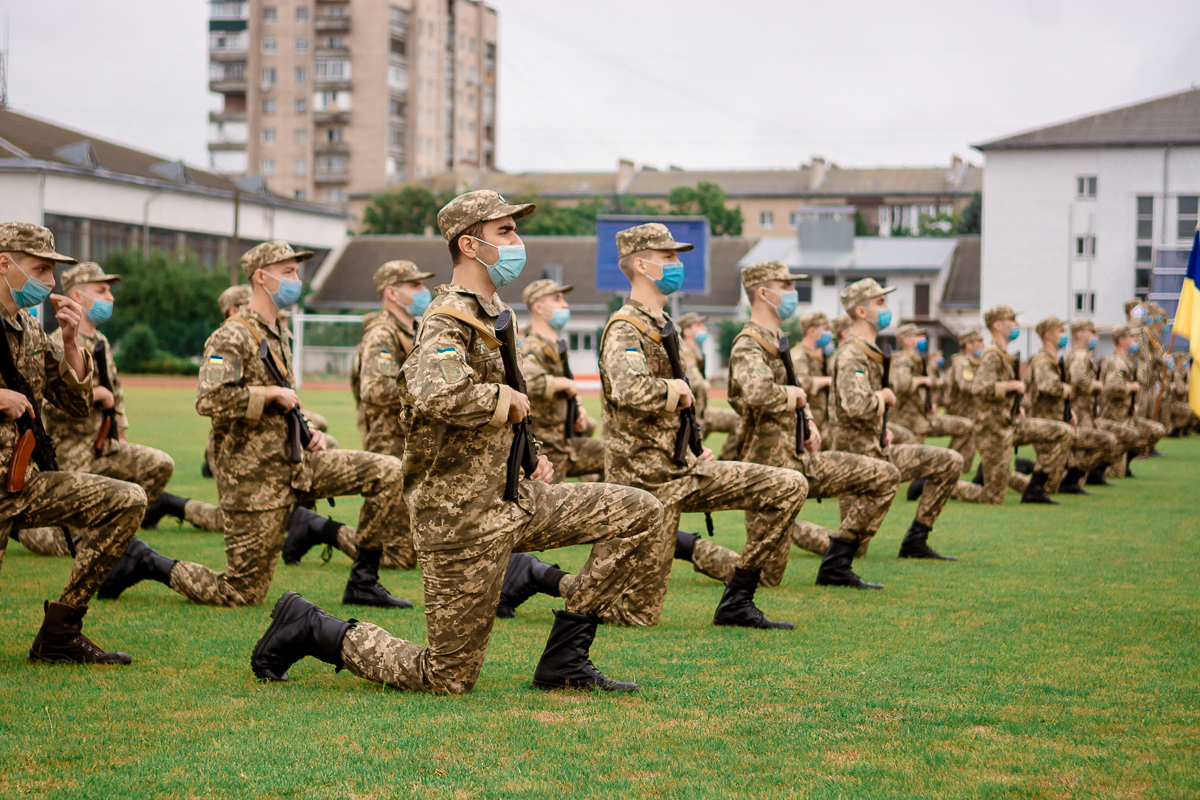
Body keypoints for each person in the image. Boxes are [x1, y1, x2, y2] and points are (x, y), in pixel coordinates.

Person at [250, 190, 664, 694]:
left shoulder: (493, 315)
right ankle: (313, 626)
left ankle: (566, 659)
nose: (518, 242)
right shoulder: (448, 319)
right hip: (460, 518)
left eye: (515, 230)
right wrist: (501, 400)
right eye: (505, 232)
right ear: (470, 244)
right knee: (447, 676)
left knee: (639, 510)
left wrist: (531, 455)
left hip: (514, 499)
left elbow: (504, 406)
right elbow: (433, 392)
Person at [97, 241, 411, 610]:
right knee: (240, 592)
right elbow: (208, 399)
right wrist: (268, 394)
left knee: (388, 472)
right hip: (253, 477)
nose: (297, 279)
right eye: (289, 272)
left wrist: (308, 430)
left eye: (297, 271)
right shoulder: (233, 334)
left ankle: (363, 581)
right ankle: (146, 562)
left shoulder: (278, 331)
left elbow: (285, 403)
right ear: (261, 277)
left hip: (295, 464)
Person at [594, 224, 807, 628]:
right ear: (641, 265)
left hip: (685, 469)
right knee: (636, 615)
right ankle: (539, 575)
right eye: (669, 257)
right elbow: (627, 389)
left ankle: (737, 599)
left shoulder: (663, 325)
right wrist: (674, 390)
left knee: (789, 485)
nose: (678, 264)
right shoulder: (625, 328)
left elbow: (683, 411)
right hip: (647, 483)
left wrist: (695, 447)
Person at [0, 222, 147, 664]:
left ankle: (61, 630)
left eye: (52, 272)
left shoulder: (28, 326)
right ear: (4, 264)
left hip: (20, 481)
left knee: (128, 500)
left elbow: (75, 402)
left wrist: (69, 342)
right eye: (41, 269)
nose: (49, 282)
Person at [15, 262, 220, 558]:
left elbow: (117, 394)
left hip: (103, 447)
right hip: (69, 452)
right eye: (101, 290)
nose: (109, 297)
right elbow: (45, 404)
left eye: (109, 290)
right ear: (77, 296)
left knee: (159, 463)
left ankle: (128, 521)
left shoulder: (101, 342)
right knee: (69, 546)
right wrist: (93, 394)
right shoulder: (57, 343)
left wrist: (120, 433)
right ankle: (19, 527)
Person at [729, 262, 900, 588]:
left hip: (800, 459)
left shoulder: (777, 338)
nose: (793, 292)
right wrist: (796, 398)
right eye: (786, 285)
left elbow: (794, 392)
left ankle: (836, 564)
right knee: (767, 576)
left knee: (884, 476)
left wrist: (807, 421)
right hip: (770, 469)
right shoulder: (749, 343)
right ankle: (688, 547)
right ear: (763, 293)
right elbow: (758, 393)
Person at [284, 259, 434, 572]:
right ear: (392, 293)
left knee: (421, 547)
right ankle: (316, 528)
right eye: (415, 285)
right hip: (389, 441)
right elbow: (375, 390)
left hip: (413, 441)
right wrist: (430, 392)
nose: (424, 291)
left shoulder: (412, 329)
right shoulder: (381, 334)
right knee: (397, 557)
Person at [828, 278, 978, 571]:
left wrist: (882, 427)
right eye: (880, 303)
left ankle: (915, 541)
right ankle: (793, 531)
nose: (887, 308)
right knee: (854, 548)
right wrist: (883, 397)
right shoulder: (852, 354)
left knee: (949, 462)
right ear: (860, 312)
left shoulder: (868, 351)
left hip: (876, 451)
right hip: (855, 459)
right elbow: (856, 405)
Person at [967, 305, 1069, 504]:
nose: (1017, 325)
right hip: (993, 429)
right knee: (993, 498)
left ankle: (1035, 488)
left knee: (1062, 432)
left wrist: (1016, 405)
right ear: (997, 325)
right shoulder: (992, 355)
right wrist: (1010, 385)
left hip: (1010, 424)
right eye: (1012, 320)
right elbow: (979, 388)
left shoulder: (1004, 353)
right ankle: (945, 485)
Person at [518, 278, 604, 482]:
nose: (565, 305)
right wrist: (565, 384)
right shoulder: (531, 347)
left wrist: (579, 408)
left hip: (563, 443)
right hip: (544, 449)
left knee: (616, 455)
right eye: (557, 299)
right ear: (538, 307)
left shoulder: (556, 347)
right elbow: (531, 382)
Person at [1026, 315, 1108, 495]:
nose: (1065, 334)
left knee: (1052, 482)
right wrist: (1069, 389)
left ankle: (1027, 471)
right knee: (1049, 484)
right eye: (1061, 331)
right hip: (1046, 423)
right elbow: (1049, 386)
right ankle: (1015, 476)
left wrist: (1069, 410)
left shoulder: (1055, 361)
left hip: (1058, 421)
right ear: (1048, 335)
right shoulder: (1042, 360)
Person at [1098, 322, 1166, 478]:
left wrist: (1132, 404)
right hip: (1115, 417)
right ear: (1121, 341)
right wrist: (1131, 387)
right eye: (1132, 336)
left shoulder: (1126, 360)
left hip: (1126, 415)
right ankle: (1100, 468)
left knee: (1156, 431)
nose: (1136, 339)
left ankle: (1125, 461)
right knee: (1115, 473)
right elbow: (1113, 387)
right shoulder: (1117, 362)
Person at [890, 324, 973, 449]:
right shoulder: (904, 360)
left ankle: (953, 464)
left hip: (922, 417)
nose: (922, 338)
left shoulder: (916, 359)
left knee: (965, 426)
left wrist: (929, 404)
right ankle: (951, 463)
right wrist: (922, 380)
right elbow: (903, 384)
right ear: (906, 341)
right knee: (911, 462)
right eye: (917, 336)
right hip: (910, 421)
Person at [677, 311, 742, 459]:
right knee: (692, 461)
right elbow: (696, 383)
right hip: (694, 417)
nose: (704, 328)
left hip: (704, 412)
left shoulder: (696, 351)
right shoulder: (685, 353)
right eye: (698, 325)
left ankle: (726, 464)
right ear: (687, 331)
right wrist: (706, 383)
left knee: (740, 421)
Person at [789, 310, 833, 446]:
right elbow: (801, 382)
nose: (830, 333)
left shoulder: (819, 355)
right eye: (826, 329)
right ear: (812, 331)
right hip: (808, 422)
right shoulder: (798, 355)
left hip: (822, 422)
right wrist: (826, 381)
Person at [946, 328, 984, 473]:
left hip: (972, 415)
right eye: (979, 341)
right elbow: (966, 385)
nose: (982, 344)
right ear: (968, 345)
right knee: (956, 453)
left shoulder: (976, 362)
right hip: (961, 414)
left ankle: (956, 484)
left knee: (965, 459)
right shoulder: (963, 362)